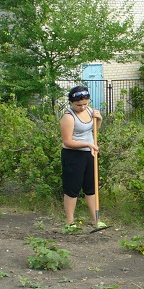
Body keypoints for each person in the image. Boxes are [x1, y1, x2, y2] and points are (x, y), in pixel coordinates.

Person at [60, 86, 105, 230]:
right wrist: (87, 144)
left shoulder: (90, 111)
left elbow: (94, 131)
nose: (82, 107)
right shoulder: (68, 117)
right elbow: (67, 141)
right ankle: (70, 222)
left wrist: (99, 119)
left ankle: (96, 220)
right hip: (73, 155)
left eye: (85, 104)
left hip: (89, 153)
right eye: (78, 105)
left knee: (91, 188)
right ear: (71, 103)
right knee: (72, 188)